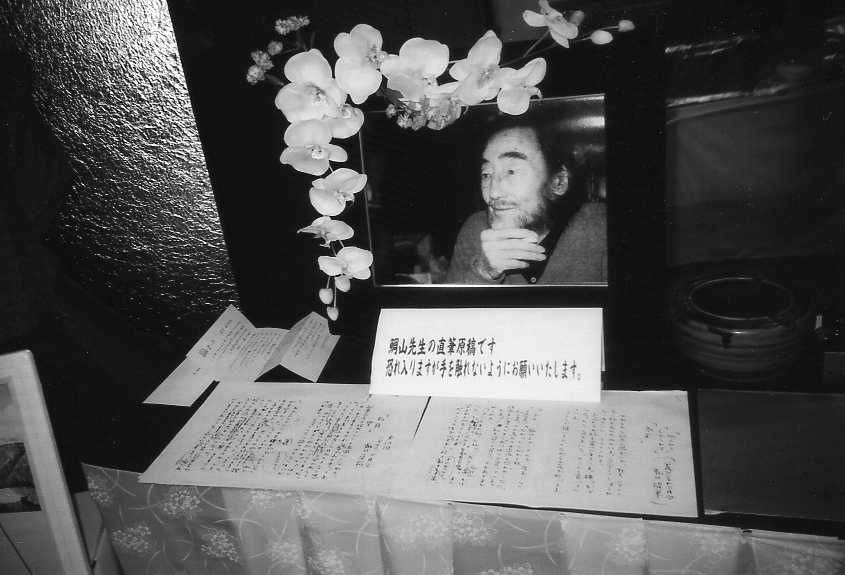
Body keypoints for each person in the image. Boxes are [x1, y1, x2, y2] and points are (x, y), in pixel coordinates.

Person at [445, 115, 607, 285]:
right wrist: (484, 272)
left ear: (558, 182)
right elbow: (448, 302)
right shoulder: (475, 230)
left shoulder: (599, 229)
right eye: (486, 174)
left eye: (511, 171)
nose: (493, 193)